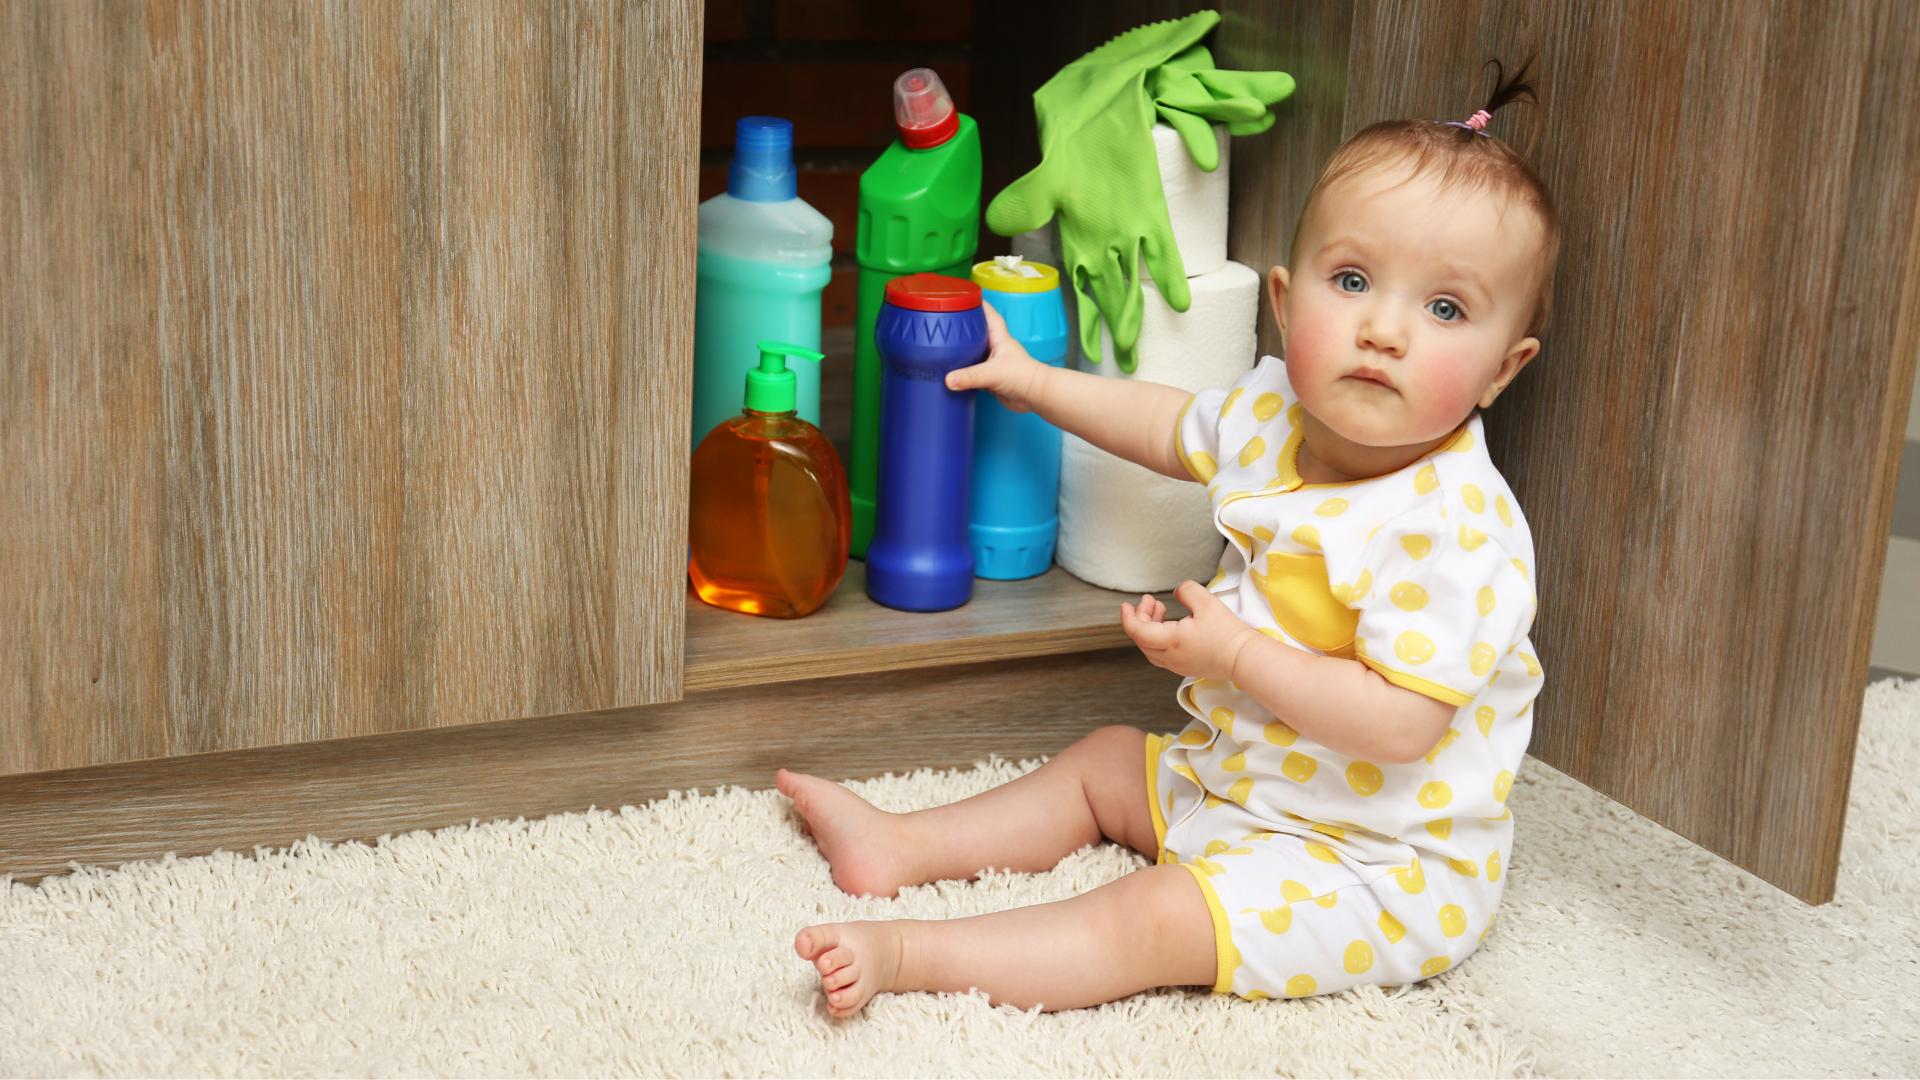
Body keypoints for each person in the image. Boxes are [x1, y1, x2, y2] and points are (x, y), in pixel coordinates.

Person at [778, 62, 1559, 1018]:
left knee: (1151, 917)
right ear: (1282, 299)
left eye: (1445, 309)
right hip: (1246, 783)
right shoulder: (1277, 415)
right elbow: (1165, 424)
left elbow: (1400, 724)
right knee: (1109, 759)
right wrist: (1035, 382)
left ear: (1501, 369)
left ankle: (908, 955)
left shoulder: (1457, 527)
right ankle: (902, 846)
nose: (1384, 330)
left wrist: (1234, 652)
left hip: (1377, 866)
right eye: (1352, 281)